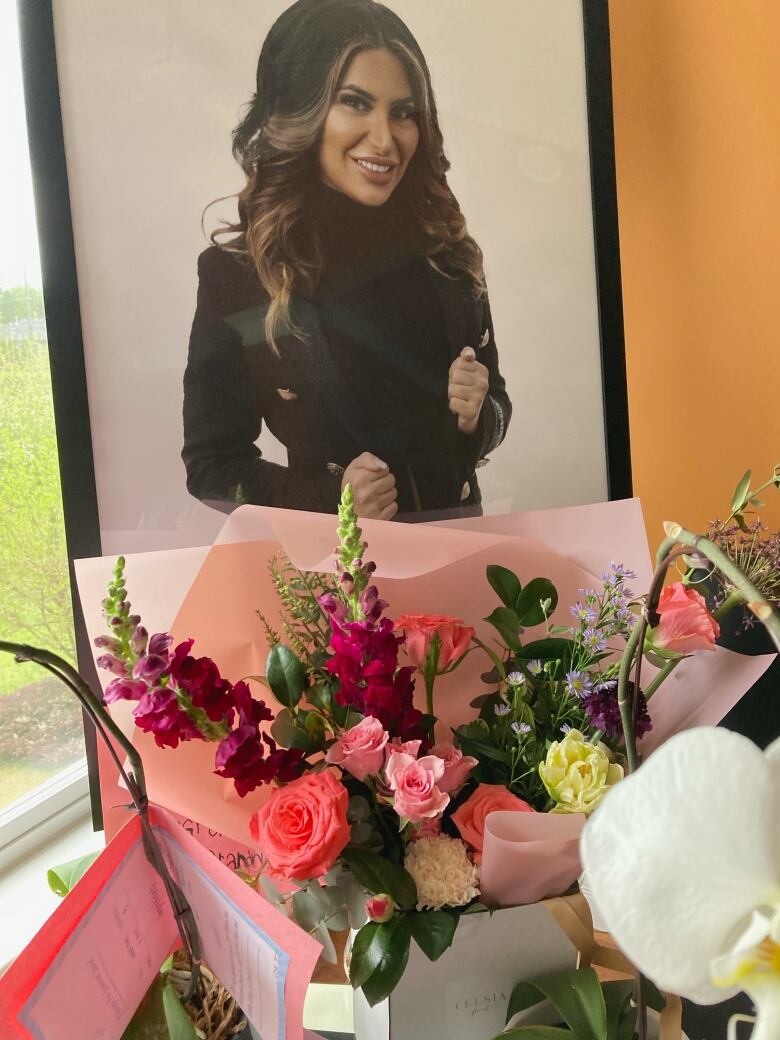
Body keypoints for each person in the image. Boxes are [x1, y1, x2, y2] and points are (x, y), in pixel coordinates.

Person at [182, 0, 511, 520]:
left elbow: (494, 412)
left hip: (461, 557)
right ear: (302, 110)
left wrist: (475, 416)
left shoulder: (446, 254)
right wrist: (328, 503)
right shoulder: (240, 276)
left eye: (402, 112)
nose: (385, 138)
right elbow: (212, 466)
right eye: (356, 103)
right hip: (334, 583)